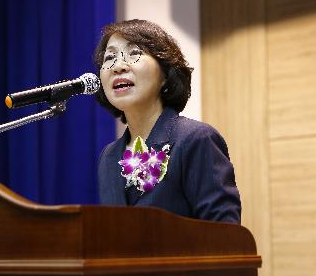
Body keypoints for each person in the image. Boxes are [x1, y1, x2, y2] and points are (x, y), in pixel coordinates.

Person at [94, 19, 241, 224]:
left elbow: (224, 236)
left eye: (134, 53)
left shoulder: (195, 139)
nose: (118, 66)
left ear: (165, 74)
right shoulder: (108, 157)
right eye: (109, 57)